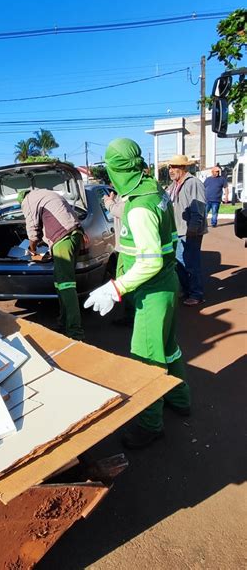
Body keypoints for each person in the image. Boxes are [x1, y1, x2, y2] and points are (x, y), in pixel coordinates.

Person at [84, 138, 190, 449]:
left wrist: (115, 288)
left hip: (153, 293)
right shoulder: (152, 192)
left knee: (146, 359)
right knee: (169, 349)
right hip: (167, 286)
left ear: (116, 171)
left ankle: (149, 424)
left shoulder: (139, 209)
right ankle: (180, 399)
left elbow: (150, 261)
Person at [17, 188, 85, 341]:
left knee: (66, 285)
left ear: (22, 200)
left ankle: (75, 332)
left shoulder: (28, 201)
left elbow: (32, 230)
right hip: (75, 234)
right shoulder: (48, 194)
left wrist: (32, 249)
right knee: (61, 283)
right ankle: (63, 323)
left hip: (63, 240)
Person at [166, 155, 207, 306]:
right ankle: (188, 290)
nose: (171, 170)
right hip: (179, 231)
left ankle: (197, 294)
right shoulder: (174, 185)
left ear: (184, 168)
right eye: (170, 167)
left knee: (191, 263)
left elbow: (199, 208)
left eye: (174, 167)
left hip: (189, 231)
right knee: (180, 263)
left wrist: (193, 229)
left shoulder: (193, 183)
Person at [103, 191, 134, 326]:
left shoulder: (131, 195)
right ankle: (129, 313)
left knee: (129, 282)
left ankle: (132, 314)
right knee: (122, 279)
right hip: (122, 248)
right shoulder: (122, 195)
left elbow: (121, 211)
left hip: (129, 250)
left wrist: (109, 203)